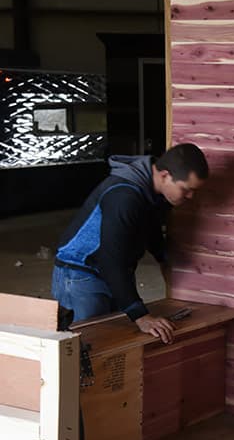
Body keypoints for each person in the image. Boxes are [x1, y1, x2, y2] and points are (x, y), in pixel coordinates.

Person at [52, 143, 208, 343]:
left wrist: (165, 260)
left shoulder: (151, 192)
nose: (190, 196)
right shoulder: (123, 196)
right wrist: (140, 315)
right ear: (164, 175)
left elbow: (150, 229)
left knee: (114, 344)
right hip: (80, 275)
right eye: (186, 189)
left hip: (108, 270)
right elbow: (111, 260)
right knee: (86, 349)